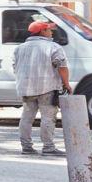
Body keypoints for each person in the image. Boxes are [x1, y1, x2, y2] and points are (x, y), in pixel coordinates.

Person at [11, 17, 74, 155]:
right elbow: (62, 67)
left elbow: (15, 67)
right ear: (42, 31)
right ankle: (48, 147)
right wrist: (66, 84)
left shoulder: (19, 48)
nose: (51, 32)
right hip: (47, 87)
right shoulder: (53, 47)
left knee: (27, 117)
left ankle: (26, 147)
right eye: (49, 30)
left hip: (26, 88)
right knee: (48, 117)